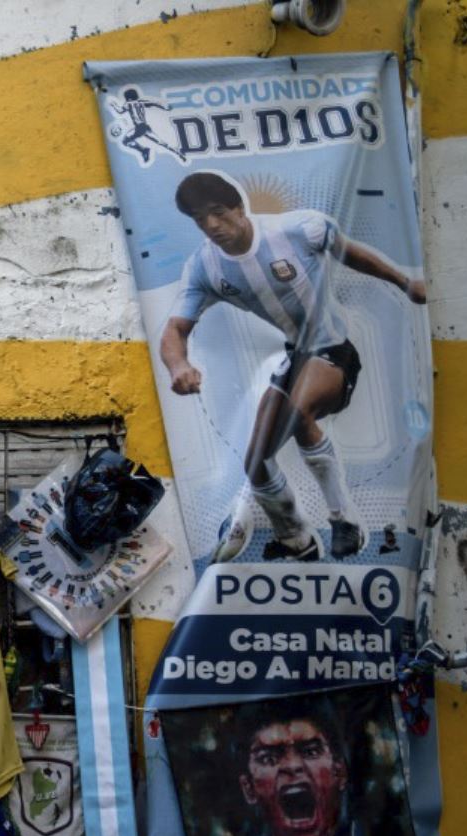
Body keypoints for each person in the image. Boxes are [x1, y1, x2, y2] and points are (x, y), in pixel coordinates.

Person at [158, 170, 427, 563]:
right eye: (200, 219)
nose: (212, 225)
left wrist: (404, 281)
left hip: (335, 350)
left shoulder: (298, 229)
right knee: (256, 460)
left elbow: (347, 250)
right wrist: (178, 364)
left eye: (217, 212)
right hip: (295, 356)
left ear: (238, 207)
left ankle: (343, 518)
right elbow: (175, 329)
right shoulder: (205, 267)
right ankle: (296, 539)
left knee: (299, 410)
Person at [233, 701, 385, 836]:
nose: (293, 766)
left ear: (339, 773)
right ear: (249, 788)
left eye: (311, 751)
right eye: (269, 758)